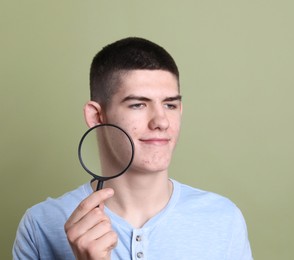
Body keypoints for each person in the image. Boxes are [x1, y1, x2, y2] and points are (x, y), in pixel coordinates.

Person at [13, 37, 253, 259]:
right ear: (97, 116)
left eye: (170, 105)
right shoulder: (41, 225)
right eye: (138, 105)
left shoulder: (223, 219)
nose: (161, 121)